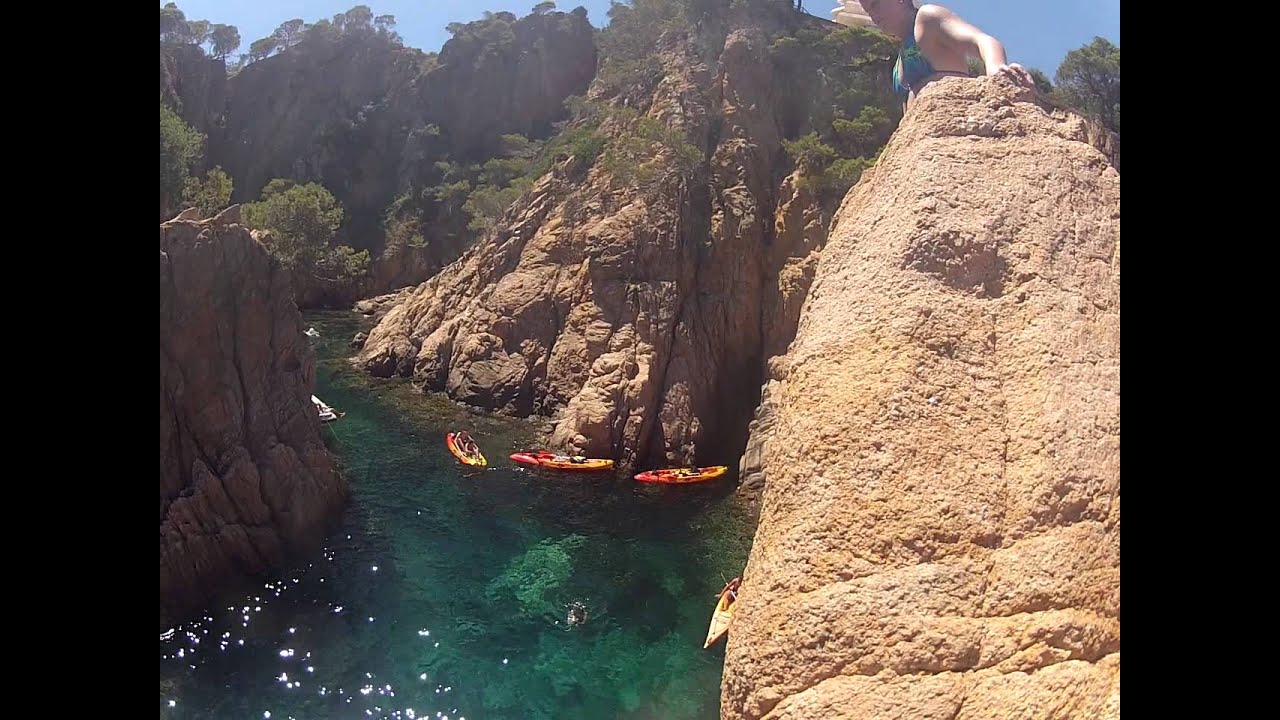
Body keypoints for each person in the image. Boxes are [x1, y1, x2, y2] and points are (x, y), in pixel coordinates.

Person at [857, 1, 1035, 112]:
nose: (873, 15)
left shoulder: (927, 19)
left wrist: (996, 70)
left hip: (959, 132)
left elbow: (982, 40)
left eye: (875, 4)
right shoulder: (898, 63)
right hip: (922, 150)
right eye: (868, 11)